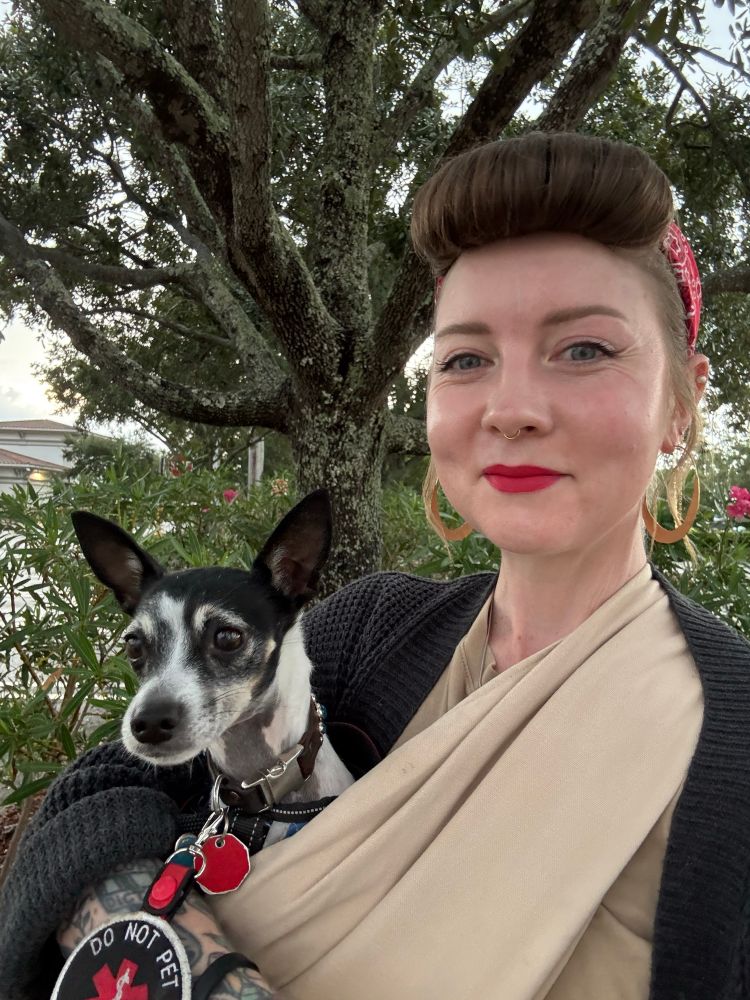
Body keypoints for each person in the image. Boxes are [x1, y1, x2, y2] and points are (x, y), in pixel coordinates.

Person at [2, 131, 750, 1000]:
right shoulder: (368, 634)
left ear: (680, 405)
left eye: (583, 349)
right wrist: (198, 972)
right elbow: (98, 788)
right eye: (466, 359)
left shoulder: (733, 738)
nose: (510, 409)